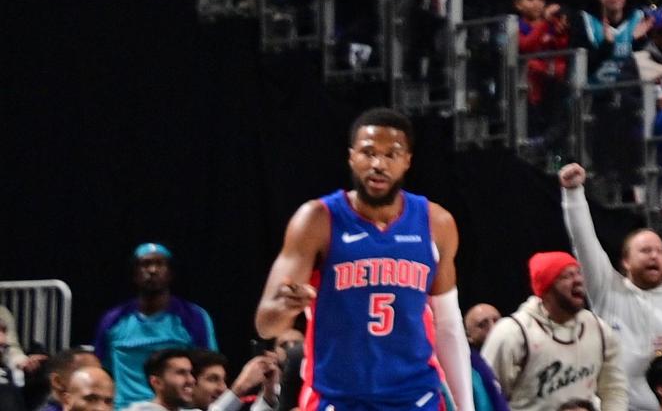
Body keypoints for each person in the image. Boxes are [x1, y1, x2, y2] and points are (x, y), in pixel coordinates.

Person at [253, 109, 475, 411]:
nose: (378, 164)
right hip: (338, 398)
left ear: (407, 160)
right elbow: (266, 325)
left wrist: (466, 407)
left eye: (391, 154)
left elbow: (448, 324)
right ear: (351, 157)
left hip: (414, 396)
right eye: (368, 153)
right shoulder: (317, 219)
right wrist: (286, 307)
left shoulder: (437, 223)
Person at [556, 168, 662, 410]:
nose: (654, 256)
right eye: (645, 251)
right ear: (625, 262)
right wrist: (574, 193)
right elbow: (583, 242)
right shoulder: (608, 292)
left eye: (660, 252)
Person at [480, 253, 627, 411]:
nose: (578, 280)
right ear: (546, 289)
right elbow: (487, 396)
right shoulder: (513, 333)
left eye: (578, 273)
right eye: (566, 276)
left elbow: (614, 389)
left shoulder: (598, 328)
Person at [91, 245, 217, 408]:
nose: (152, 270)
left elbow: (209, 368)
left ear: (170, 273)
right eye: (145, 264)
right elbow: (101, 369)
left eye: (160, 264)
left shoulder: (194, 317)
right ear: (134, 274)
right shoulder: (112, 319)